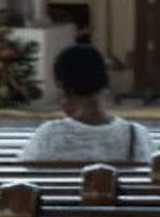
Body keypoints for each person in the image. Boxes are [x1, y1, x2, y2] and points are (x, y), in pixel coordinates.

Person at [20, 43, 153, 164]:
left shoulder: (48, 135)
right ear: (104, 83)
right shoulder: (135, 135)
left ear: (61, 86)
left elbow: (24, 174)